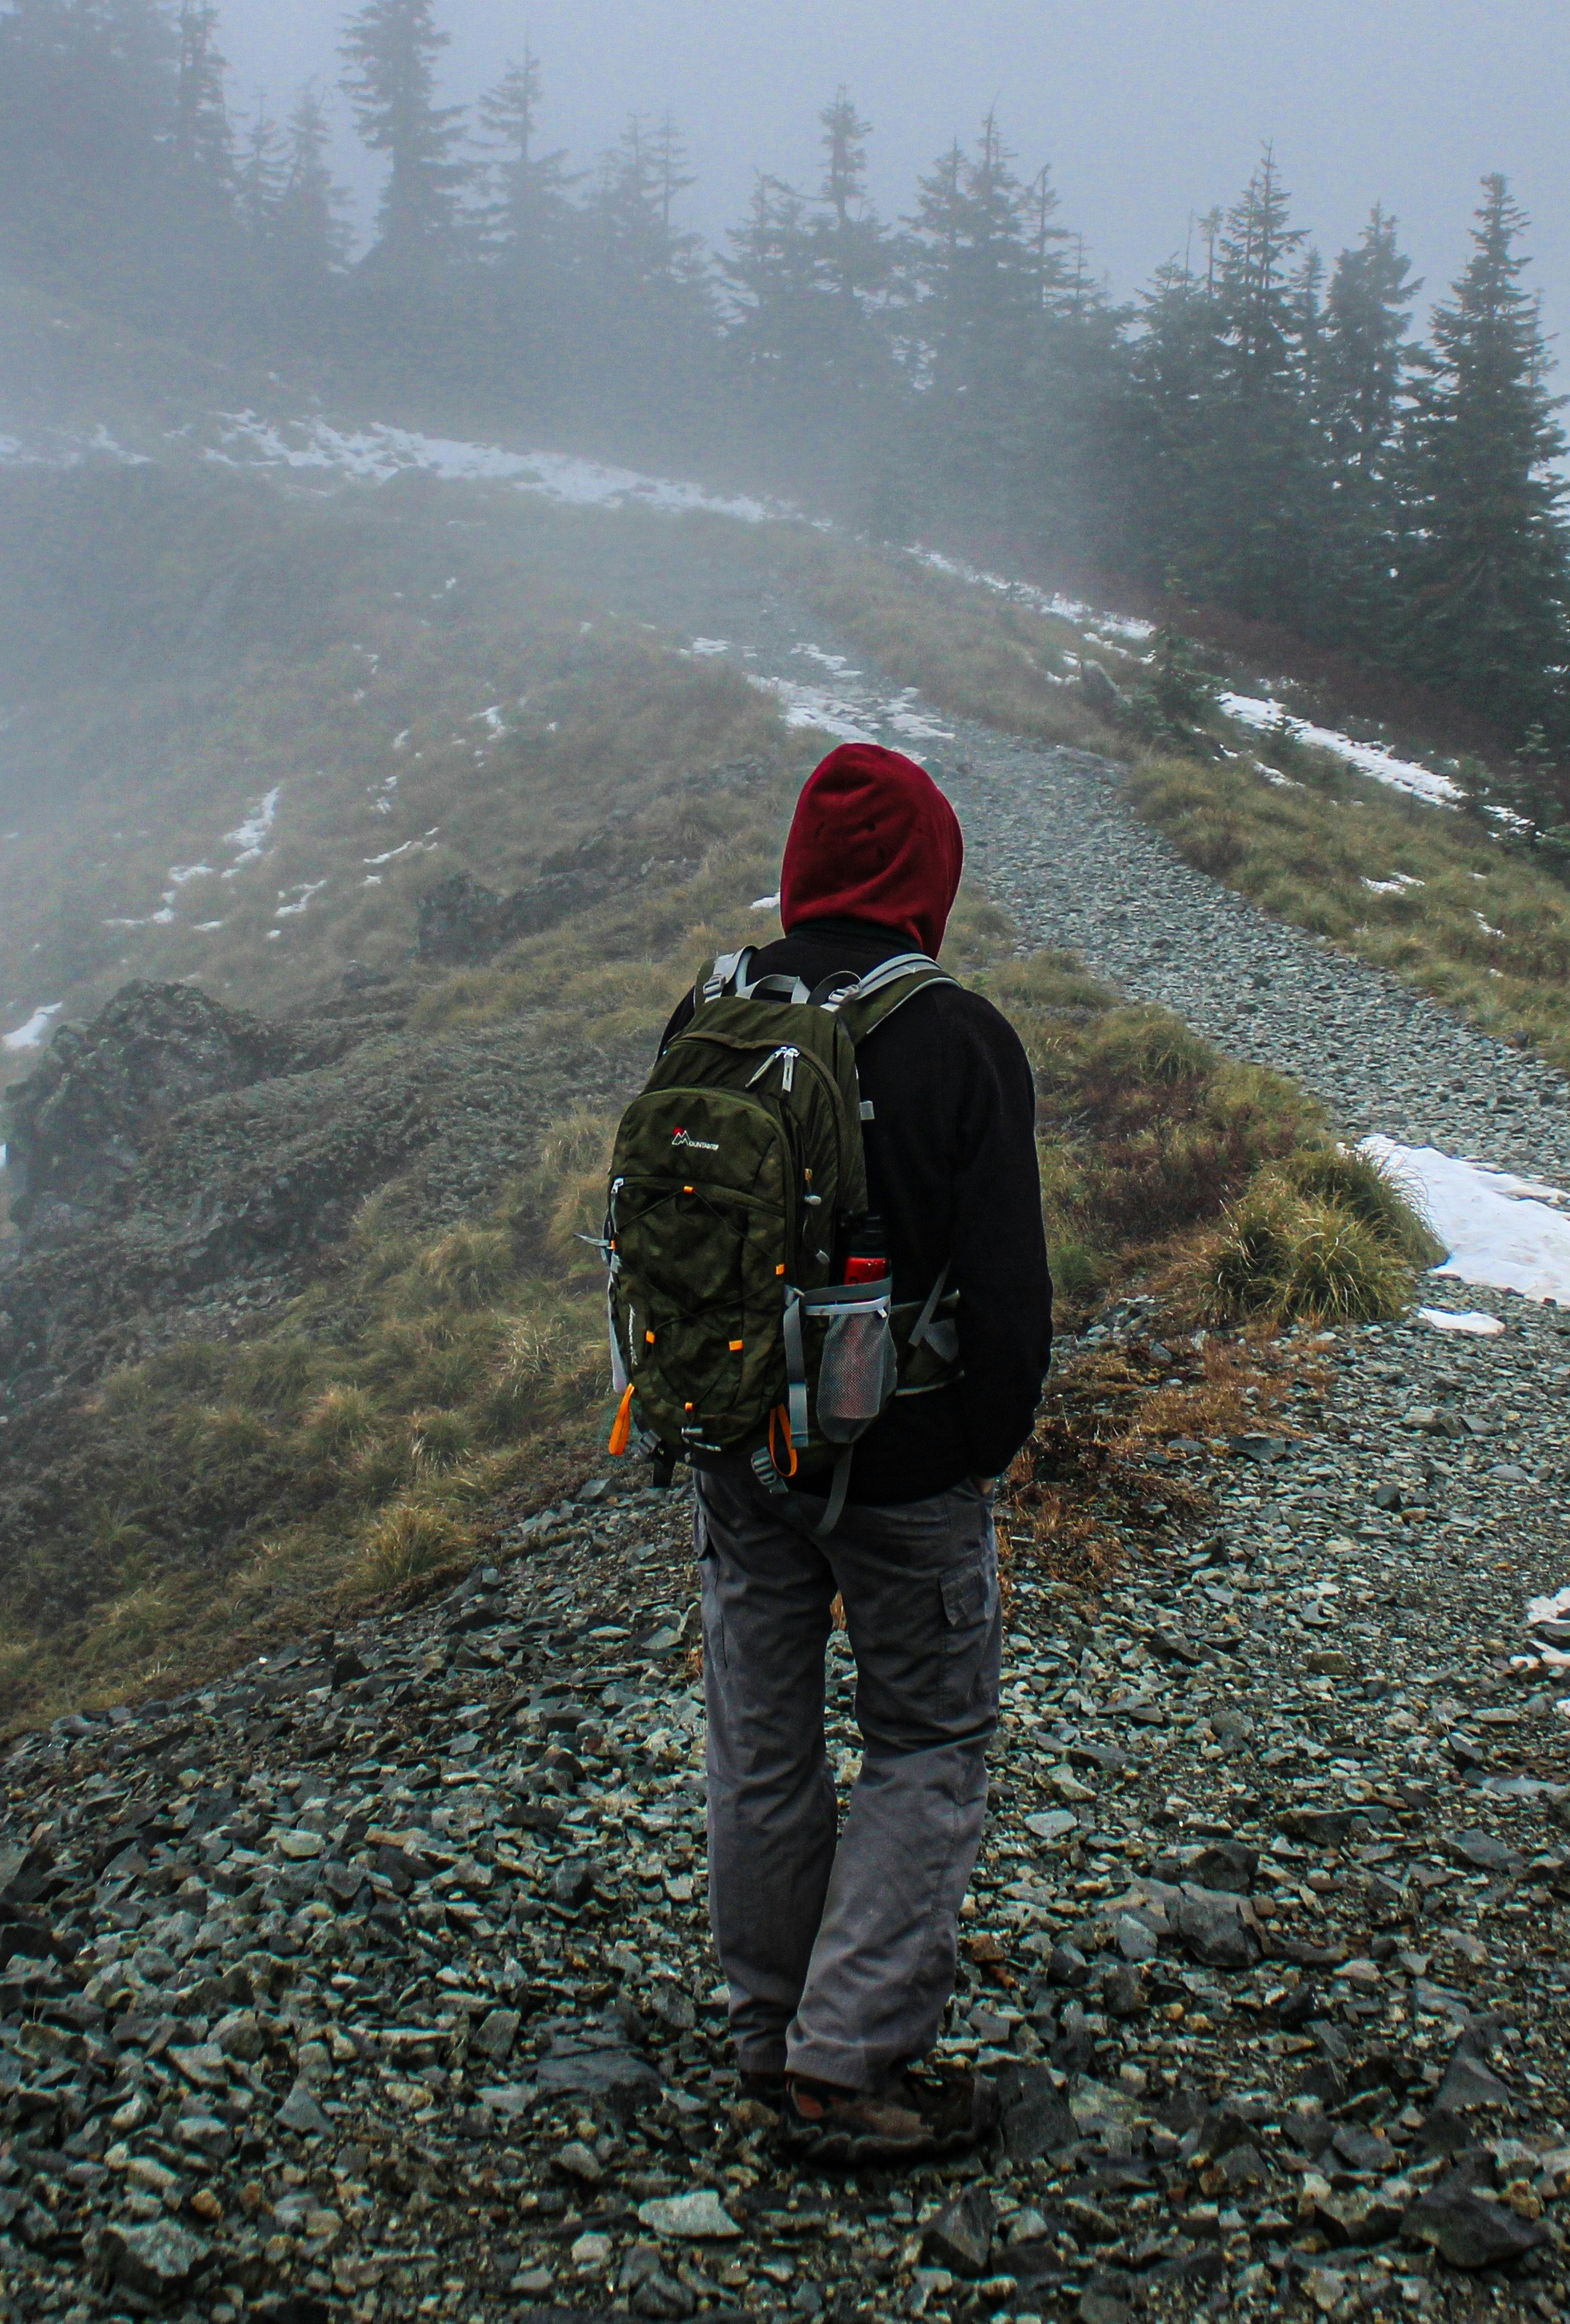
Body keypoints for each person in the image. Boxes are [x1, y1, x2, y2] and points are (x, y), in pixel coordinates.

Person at [668, 741, 1050, 2166]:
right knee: (929, 1737)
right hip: (902, 1466)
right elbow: (1010, 1295)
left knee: (762, 1738)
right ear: (926, 870)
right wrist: (974, 1448)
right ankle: (851, 2063)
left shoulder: (714, 1011)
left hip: (733, 1441)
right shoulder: (955, 1036)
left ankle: (771, 2033)